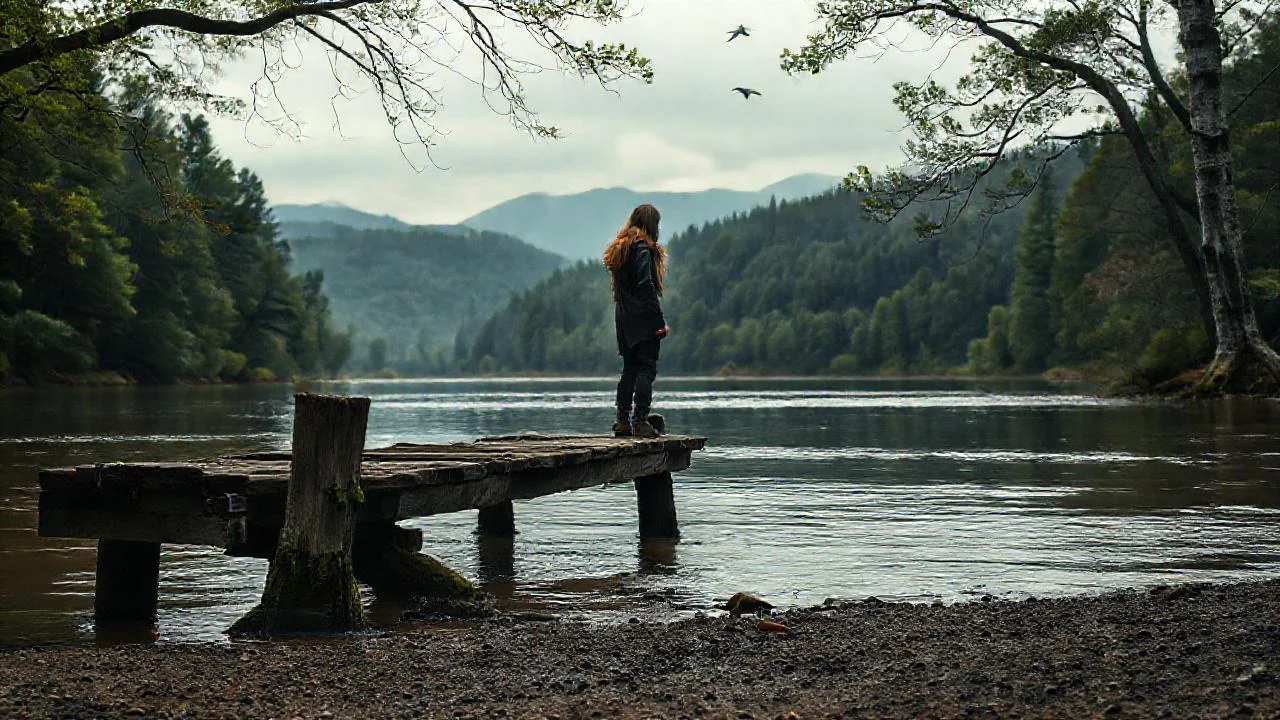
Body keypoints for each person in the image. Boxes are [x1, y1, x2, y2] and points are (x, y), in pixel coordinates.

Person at [603, 204, 669, 438]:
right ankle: (640, 420)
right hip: (641, 316)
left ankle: (622, 421)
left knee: (630, 368)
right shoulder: (642, 248)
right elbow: (645, 285)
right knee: (646, 368)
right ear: (652, 225)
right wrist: (658, 321)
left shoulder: (622, 249)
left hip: (623, 316)